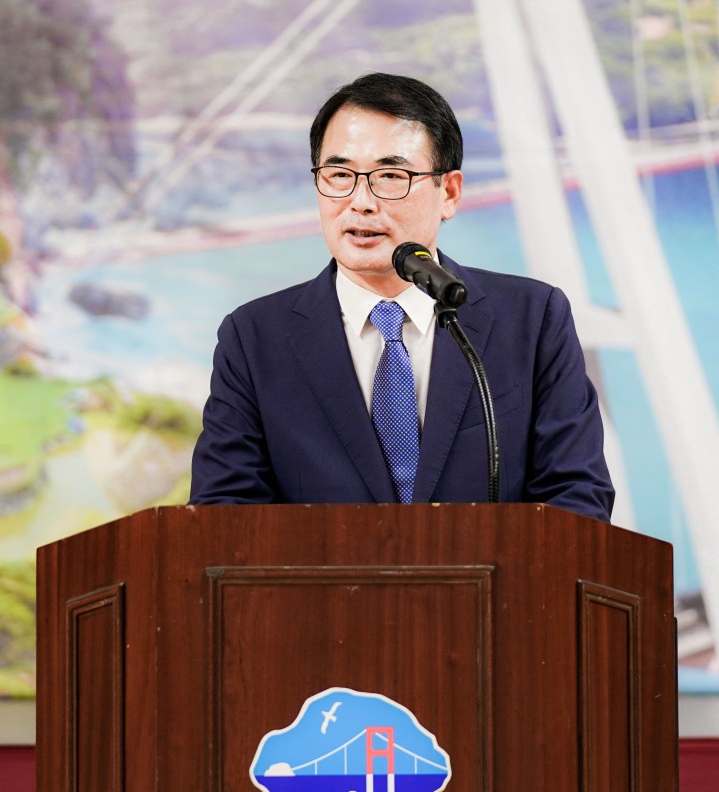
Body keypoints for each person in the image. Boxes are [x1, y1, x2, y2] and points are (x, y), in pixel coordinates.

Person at [189, 72, 614, 521]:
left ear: (449, 193)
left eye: (390, 176)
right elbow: (223, 520)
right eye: (339, 175)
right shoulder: (254, 338)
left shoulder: (532, 320)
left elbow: (576, 499)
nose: (361, 202)